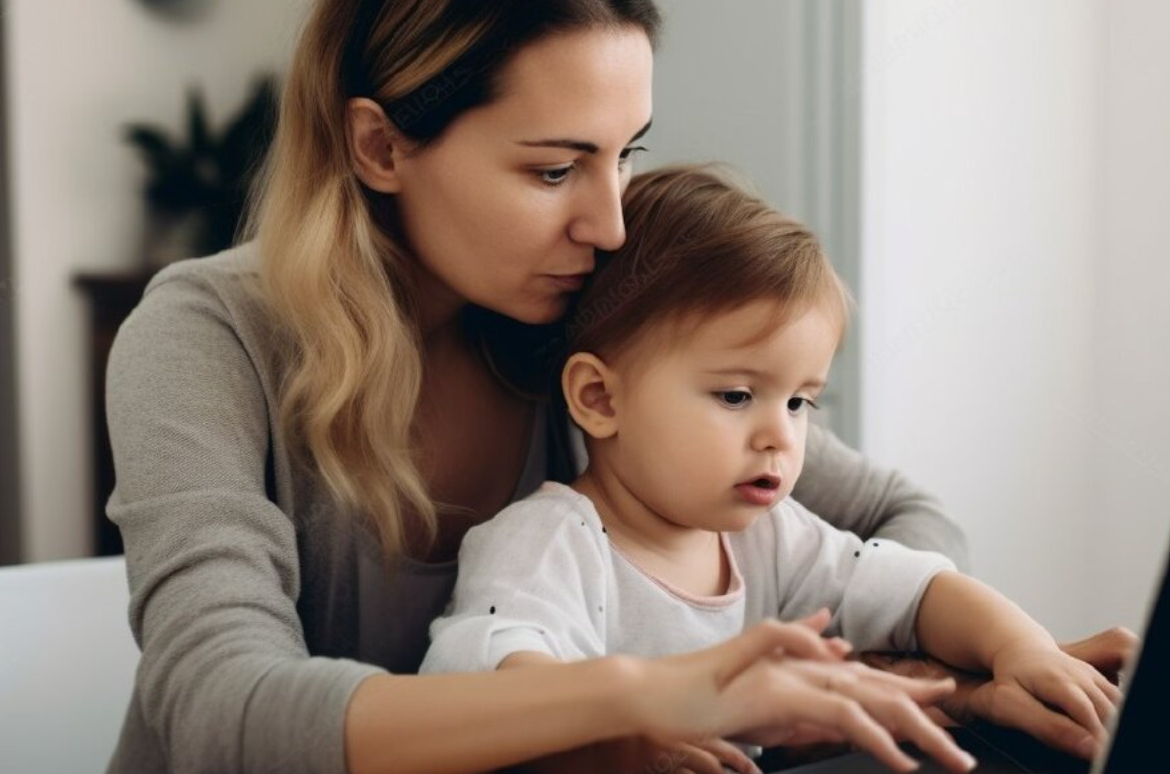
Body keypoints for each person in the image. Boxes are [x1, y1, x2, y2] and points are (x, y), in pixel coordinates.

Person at [99, 0, 1136, 773]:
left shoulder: (585, 315)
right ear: (379, 146)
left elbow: (901, 528)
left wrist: (899, 688)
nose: (608, 220)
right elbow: (217, 706)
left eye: (625, 153)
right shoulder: (207, 336)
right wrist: (644, 697)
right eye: (553, 169)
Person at [420, 168, 1122, 774]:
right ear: (600, 398)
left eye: (799, 401)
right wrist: (628, 745)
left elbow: (916, 588)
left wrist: (1022, 649)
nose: (780, 437)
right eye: (735, 396)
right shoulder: (547, 543)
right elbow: (490, 681)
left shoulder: (769, 536)